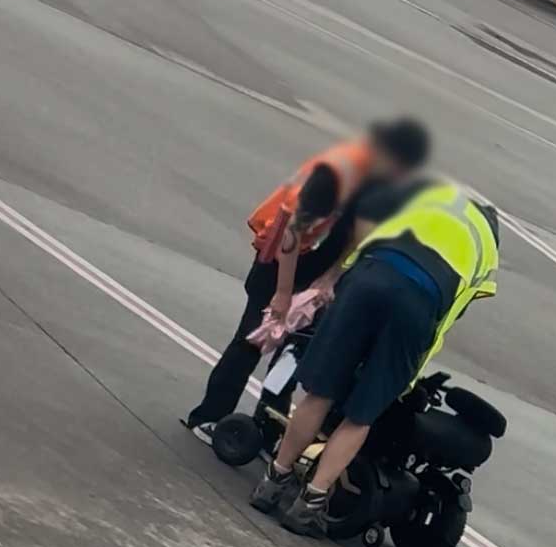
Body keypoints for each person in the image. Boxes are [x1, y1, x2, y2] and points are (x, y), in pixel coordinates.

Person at [249, 179, 500, 537]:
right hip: (418, 303)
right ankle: (310, 504)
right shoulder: (486, 247)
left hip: (368, 275)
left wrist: (344, 285)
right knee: (361, 414)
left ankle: (272, 482)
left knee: (320, 393)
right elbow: (448, 314)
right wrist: (406, 380)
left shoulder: (430, 196)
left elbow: (366, 238)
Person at [183, 119, 430, 444]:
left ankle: (265, 427)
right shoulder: (335, 174)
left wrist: (328, 281)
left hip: (318, 268)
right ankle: (210, 416)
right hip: (280, 265)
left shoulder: (379, 182)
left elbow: (358, 234)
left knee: (293, 351)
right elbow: (292, 233)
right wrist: (283, 295)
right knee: (252, 339)